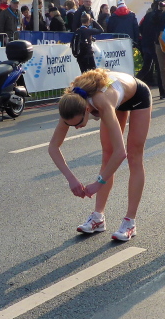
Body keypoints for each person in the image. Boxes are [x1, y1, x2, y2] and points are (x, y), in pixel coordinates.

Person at [48, 69, 152, 242]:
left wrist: (98, 183)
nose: (76, 127)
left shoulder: (102, 104)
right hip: (115, 97)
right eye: (70, 125)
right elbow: (53, 147)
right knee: (106, 155)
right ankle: (98, 217)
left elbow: (121, 153)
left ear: (87, 109)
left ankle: (130, 222)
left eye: (79, 123)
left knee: (134, 156)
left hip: (136, 95)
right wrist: (71, 179)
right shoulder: (70, 104)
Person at [136, 0, 164, 96]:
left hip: (146, 43)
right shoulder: (159, 15)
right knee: (160, 68)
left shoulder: (147, 15)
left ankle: (135, 84)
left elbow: (140, 28)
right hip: (154, 44)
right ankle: (163, 91)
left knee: (146, 67)